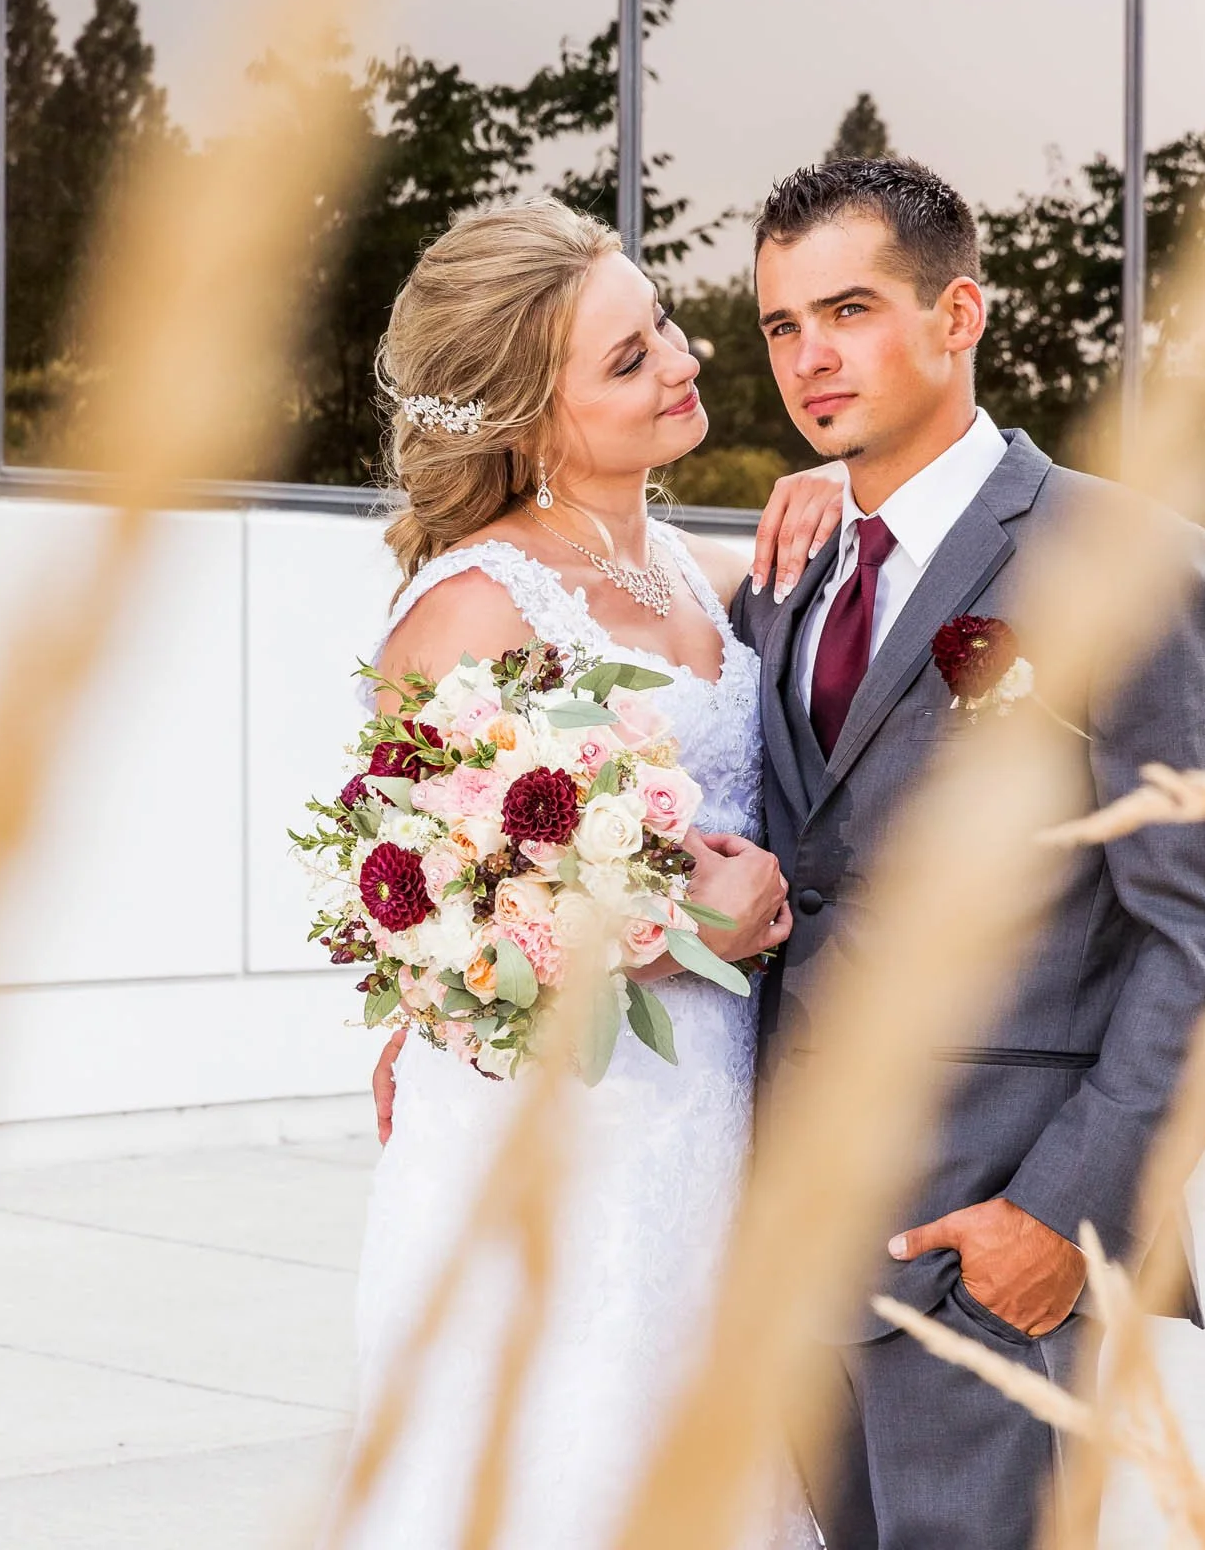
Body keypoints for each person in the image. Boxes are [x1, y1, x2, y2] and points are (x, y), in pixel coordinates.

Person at [722, 156, 1205, 1548]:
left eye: (848, 311)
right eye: (783, 325)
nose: (810, 357)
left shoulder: (1129, 558)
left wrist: (1061, 1216)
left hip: (993, 1246)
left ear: (959, 315)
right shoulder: (789, 580)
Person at [330, 196, 840, 1549]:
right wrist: (679, 926)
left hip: (705, 1124)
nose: (680, 358)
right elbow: (426, 935)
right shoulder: (473, 608)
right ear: (530, 421)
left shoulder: (695, 569)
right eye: (627, 359)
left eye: (659, 320)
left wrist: (843, 486)